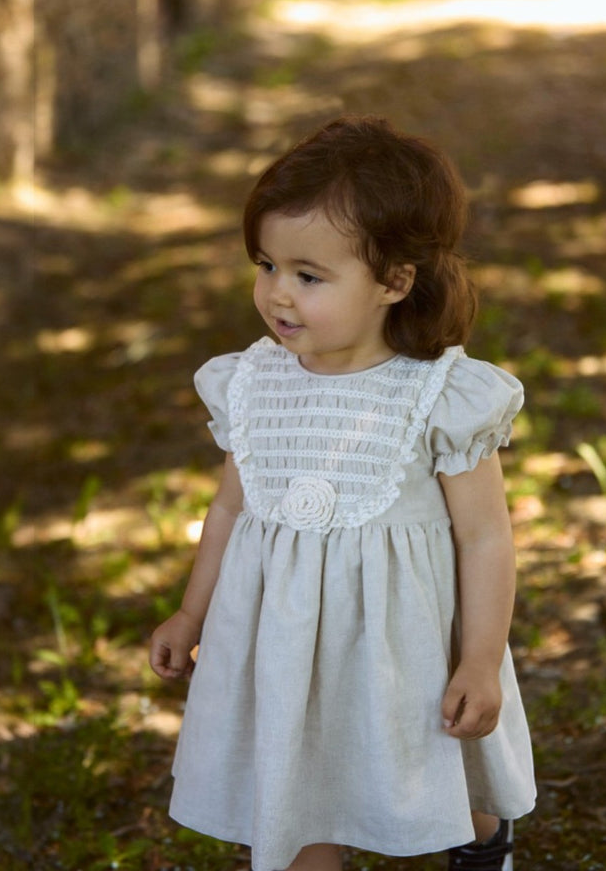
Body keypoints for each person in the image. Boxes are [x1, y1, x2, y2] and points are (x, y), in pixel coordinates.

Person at [149, 115, 536, 871]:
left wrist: (481, 660)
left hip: (407, 647)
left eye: (309, 275)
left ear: (394, 281)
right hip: (283, 642)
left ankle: (483, 843)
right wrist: (192, 610)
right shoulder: (253, 383)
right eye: (266, 265)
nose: (277, 295)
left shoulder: (439, 396)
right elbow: (230, 507)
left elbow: (483, 537)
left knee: (446, 761)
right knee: (297, 795)